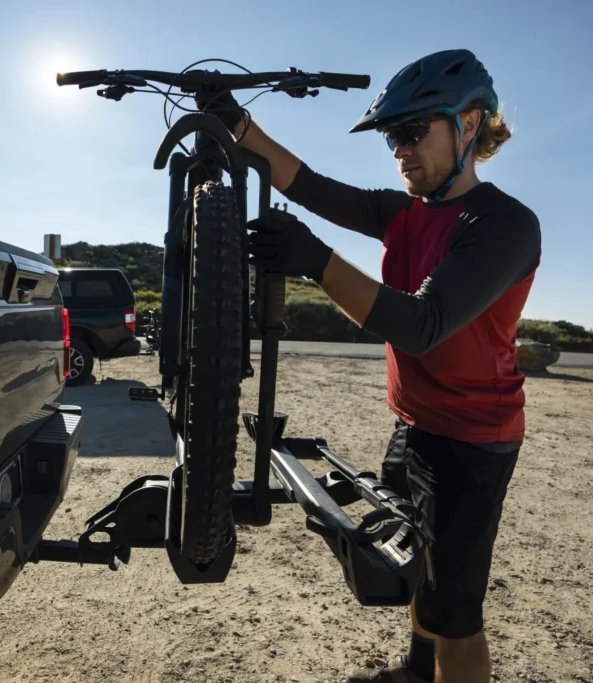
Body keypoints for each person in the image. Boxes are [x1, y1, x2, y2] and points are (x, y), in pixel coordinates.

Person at [197, 49, 541, 683]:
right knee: (419, 567)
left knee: (456, 610)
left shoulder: (504, 225)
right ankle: (416, 673)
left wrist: (315, 259)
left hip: (473, 441)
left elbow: (420, 325)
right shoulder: (405, 211)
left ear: (469, 124)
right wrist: (234, 122)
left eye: (412, 131)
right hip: (415, 422)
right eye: (392, 136)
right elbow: (307, 184)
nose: (399, 150)